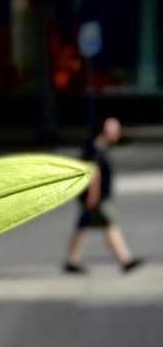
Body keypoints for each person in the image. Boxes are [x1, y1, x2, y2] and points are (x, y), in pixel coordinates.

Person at [64, 116, 142, 273]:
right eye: (115, 129)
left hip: (95, 198)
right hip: (96, 198)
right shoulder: (95, 148)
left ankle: (72, 261)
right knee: (110, 226)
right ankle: (125, 260)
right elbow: (93, 173)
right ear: (104, 130)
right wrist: (93, 197)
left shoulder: (99, 145)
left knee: (84, 227)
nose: (118, 133)